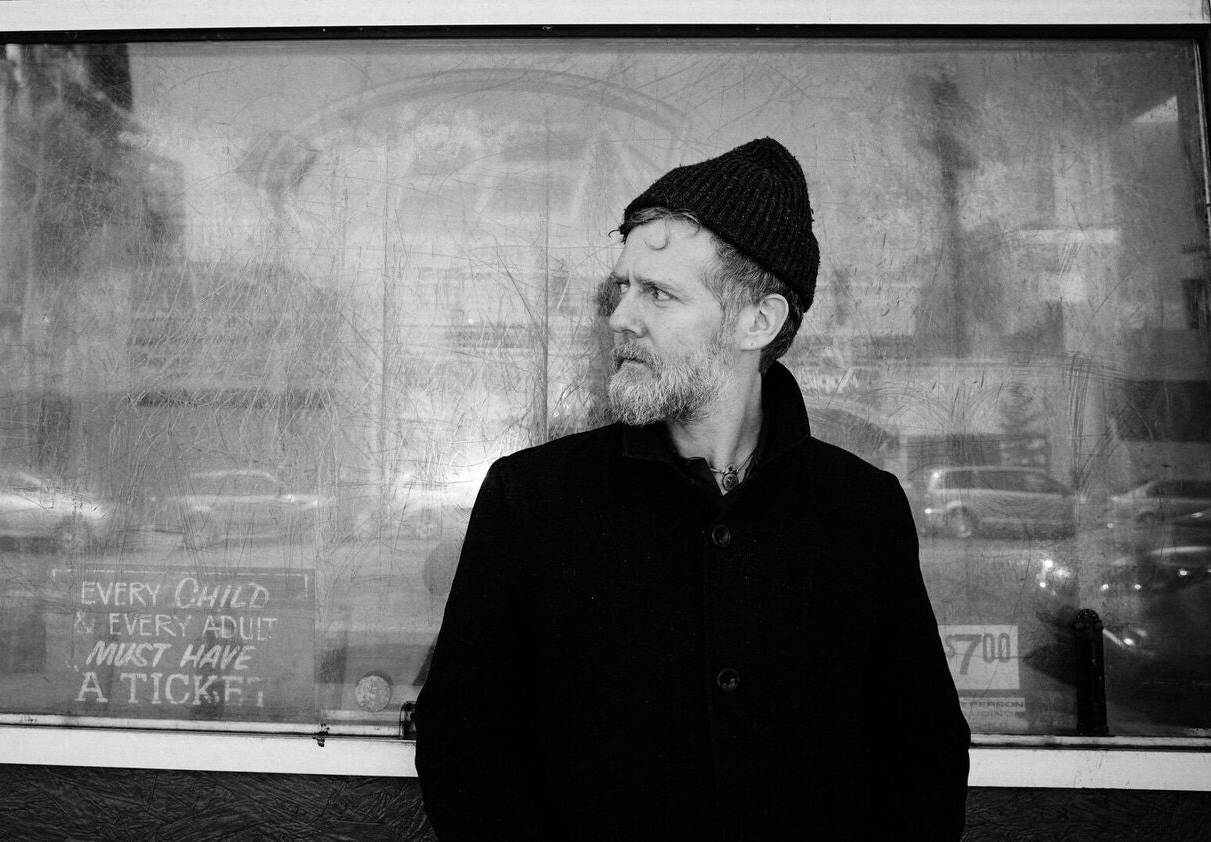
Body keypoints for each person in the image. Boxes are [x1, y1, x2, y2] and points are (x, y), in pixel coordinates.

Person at [413, 138, 970, 841]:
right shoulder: (531, 499)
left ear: (756, 322)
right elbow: (464, 737)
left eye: (660, 294)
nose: (620, 317)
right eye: (623, 287)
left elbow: (923, 751)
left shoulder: (862, 510)